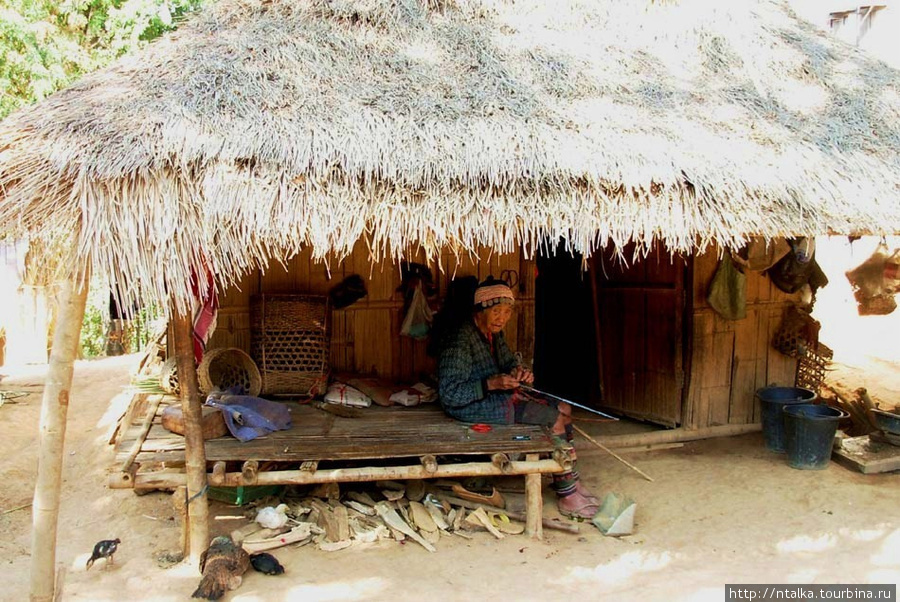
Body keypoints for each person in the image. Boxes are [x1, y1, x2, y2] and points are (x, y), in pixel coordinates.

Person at [437, 276, 600, 519]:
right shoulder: (460, 341)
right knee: (553, 419)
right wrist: (492, 383)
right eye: (495, 311)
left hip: (494, 396)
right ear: (480, 311)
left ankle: (570, 481)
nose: (501, 318)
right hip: (469, 405)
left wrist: (518, 372)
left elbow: (508, 362)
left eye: (506, 311)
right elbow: (450, 395)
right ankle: (567, 496)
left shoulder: (493, 334)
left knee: (564, 408)